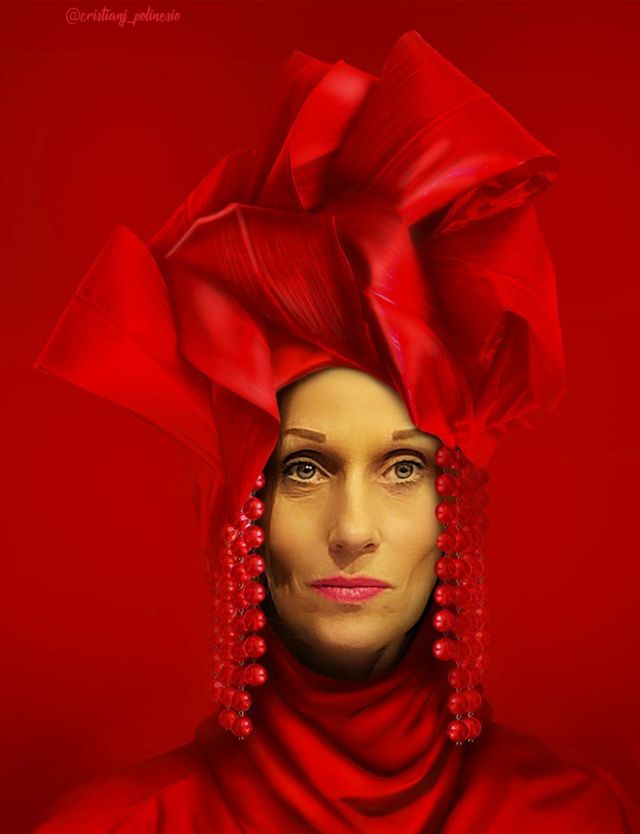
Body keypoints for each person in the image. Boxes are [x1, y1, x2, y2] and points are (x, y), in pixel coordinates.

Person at [30, 30, 640, 834]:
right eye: (305, 469)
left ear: (457, 508)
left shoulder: (574, 816)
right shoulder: (123, 826)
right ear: (234, 508)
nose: (352, 531)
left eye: (404, 469)